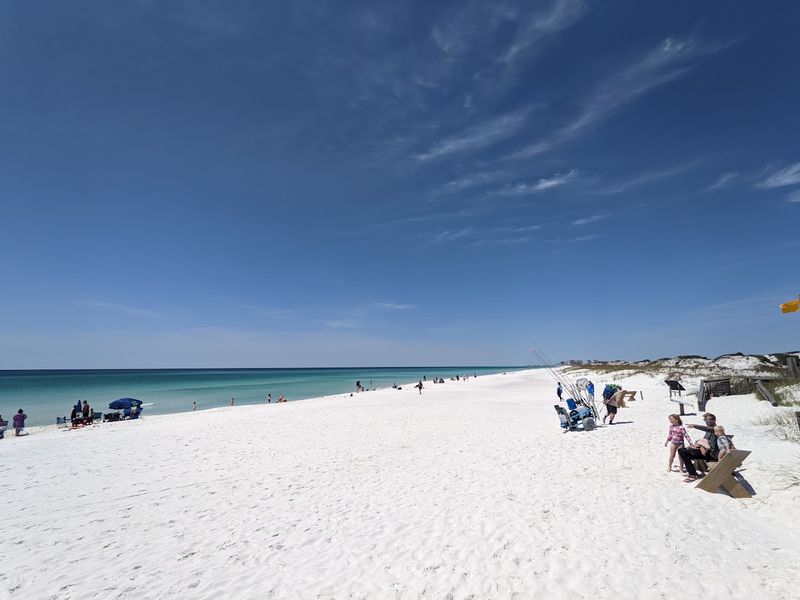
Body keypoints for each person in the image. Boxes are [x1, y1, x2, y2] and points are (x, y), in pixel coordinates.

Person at [678, 413, 720, 482]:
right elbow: (705, 440)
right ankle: (692, 472)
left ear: (714, 420)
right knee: (682, 450)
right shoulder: (709, 431)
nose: (706, 422)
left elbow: (707, 429)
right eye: (705, 420)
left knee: (684, 452)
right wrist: (699, 446)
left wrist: (694, 426)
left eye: (708, 420)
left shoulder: (716, 429)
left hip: (711, 455)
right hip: (706, 452)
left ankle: (693, 475)